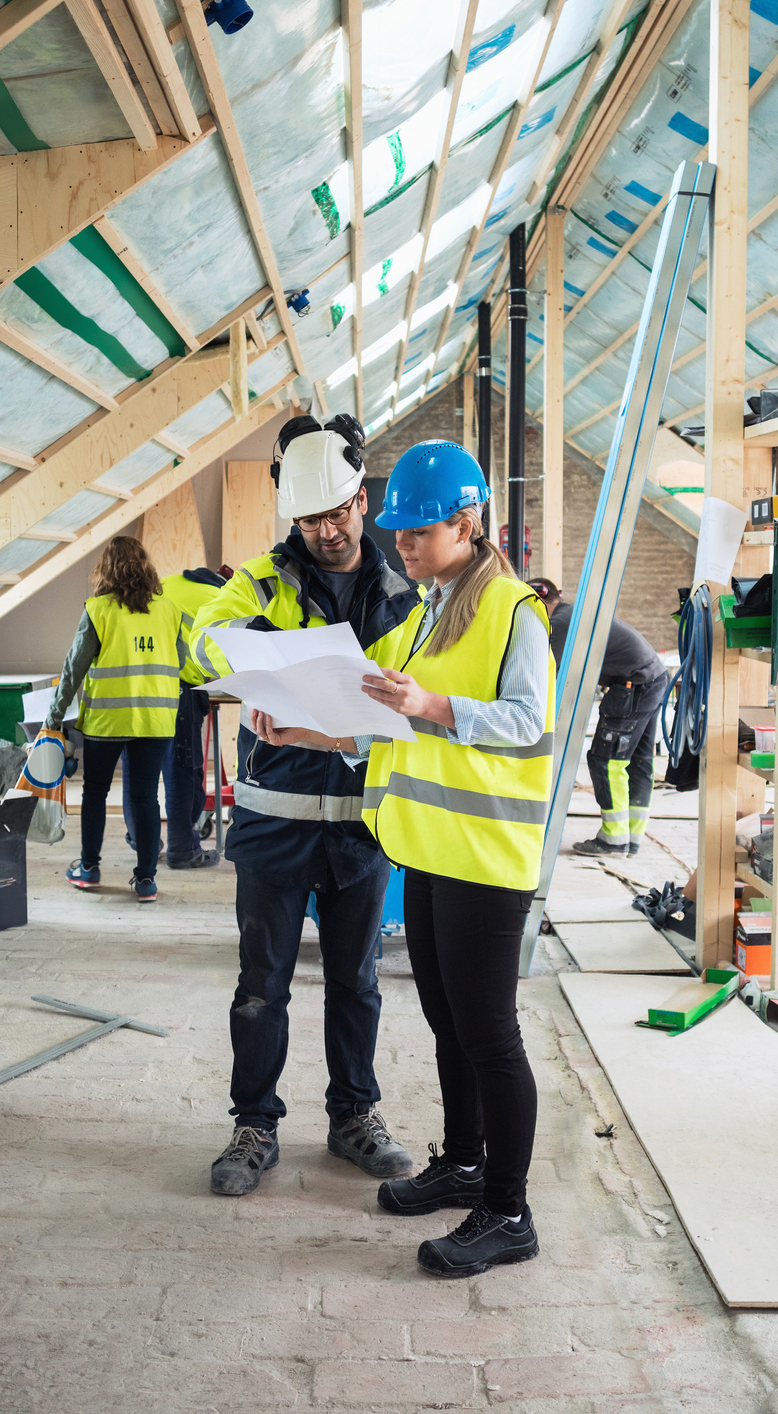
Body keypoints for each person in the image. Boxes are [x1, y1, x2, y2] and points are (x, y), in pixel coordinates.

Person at [251, 439, 553, 1279]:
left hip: (486, 856)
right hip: (429, 851)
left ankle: (507, 1210)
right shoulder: (432, 605)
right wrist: (302, 727)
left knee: (491, 1036)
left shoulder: (510, 609)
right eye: (401, 534)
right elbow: (395, 728)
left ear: (466, 522)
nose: (404, 547)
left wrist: (431, 701)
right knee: (447, 1024)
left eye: (419, 533)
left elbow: (526, 721)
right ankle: (462, 1163)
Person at [189, 412, 422, 1198]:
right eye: (311, 517)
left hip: (360, 828)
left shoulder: (402, 596)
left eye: (339, 511)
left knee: (356, 984)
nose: (326, 529)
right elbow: (204, 638)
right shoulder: (260, 579)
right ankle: (253, 1124)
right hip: (272, 822)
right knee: (262, 987)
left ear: (363, 500)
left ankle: (354, 1115)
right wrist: (251, 653)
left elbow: (408, 706)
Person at [45, 535, 182, 903]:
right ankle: (146, 880)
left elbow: (73, 669)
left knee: (95, 793)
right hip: (155, 721)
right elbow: (183, 662)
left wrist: (54, 717)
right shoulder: (169, 610)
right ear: (145, 566)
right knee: (145, 797)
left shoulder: (98, 610)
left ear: (106, 569)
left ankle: (89, 868)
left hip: (107, 721)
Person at [530, 579, 671, 857]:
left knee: (606, 760)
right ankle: (630, 838)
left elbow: (551, 675)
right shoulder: (576, 612)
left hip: (633, 684)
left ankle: (613, 841)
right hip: (652, 678)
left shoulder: (560, 622)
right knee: (639, 762)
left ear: (539, 602)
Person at [156, 566, 231, 869]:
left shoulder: (168, 582)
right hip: (177, 689)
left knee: (140, 773)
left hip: (136, 687)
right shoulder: (221, 597)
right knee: (183, 772)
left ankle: (142, 843)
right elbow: (224, 655)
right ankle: (183, 849)